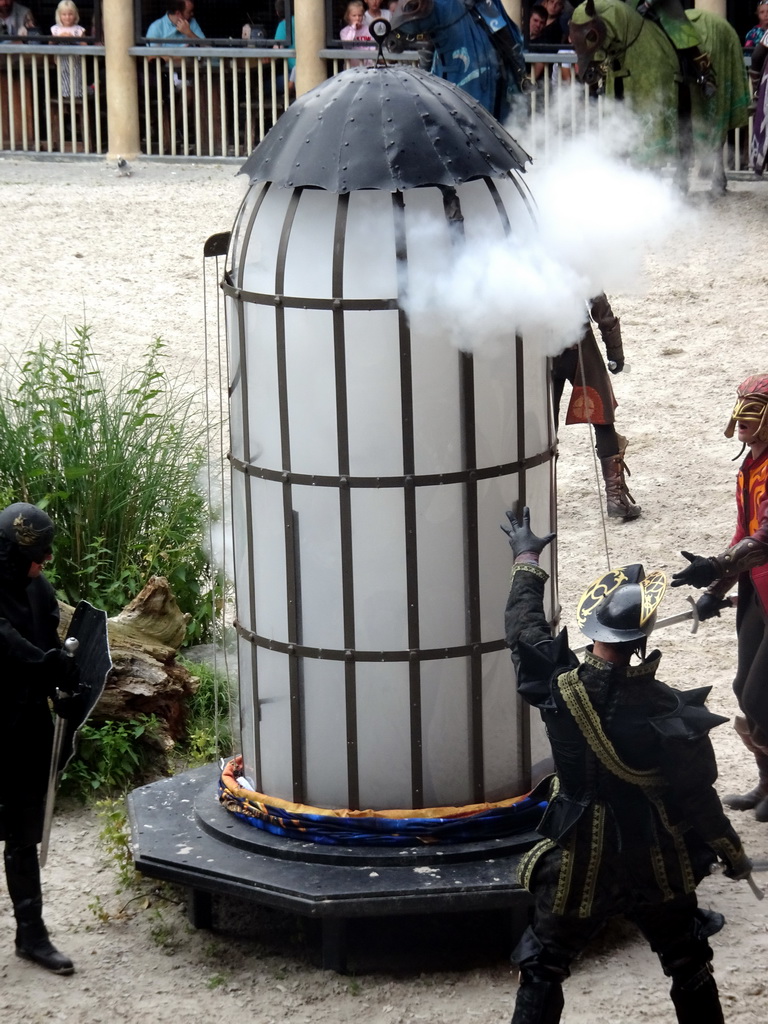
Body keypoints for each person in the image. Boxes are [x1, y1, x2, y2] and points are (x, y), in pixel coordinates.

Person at [501, 506, 752, 1024]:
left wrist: (527, 557)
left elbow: (523, 627)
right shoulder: (665, 709)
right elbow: (697, 799)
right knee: (687, 962)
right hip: (652, 859)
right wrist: (731, 852)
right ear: (642, 641)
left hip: (575, 857)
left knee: (544, 966)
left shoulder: (557, 684)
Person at [671, 374, 768, 821]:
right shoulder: (752, 464)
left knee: (761, 696)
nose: (744, 416)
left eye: (756, 406)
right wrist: (715, 590)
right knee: (745, 691)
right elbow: (742, 534)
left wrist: (714, 565)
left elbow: (764, 539)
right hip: (757, 589)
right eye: (743, 404)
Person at [0, 502, 80, 975]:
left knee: (23, 833)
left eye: (44, 556)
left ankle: (31, 934)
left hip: (25, 724)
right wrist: (43, 663)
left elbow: (51, 650)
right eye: (34, 555)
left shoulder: (38, 591)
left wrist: (63, 686)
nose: (41, 564)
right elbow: (4, 639)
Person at [552, 294, 641, 521]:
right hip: (576, 346)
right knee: (602, 421)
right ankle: (616, 499)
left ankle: (536, 500)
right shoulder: (576, 259)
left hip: (541, 350)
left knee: (543, 424)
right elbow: (602, 311)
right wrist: (616, 354)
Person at [50, 1, 86, 99]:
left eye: (70, 14)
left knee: (76, 80)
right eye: (64, 14)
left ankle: (77, 97)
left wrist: (74, 39)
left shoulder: (78, 30)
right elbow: (50, 44)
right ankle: (65, 98)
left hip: (76, 62)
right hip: (62, 60)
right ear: (59, 15)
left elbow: (85, 46)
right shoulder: (56, 29)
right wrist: (58, 38)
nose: (67, 17)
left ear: (75, 15)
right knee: (64, 79)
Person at [340, 1, 374, 67]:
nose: (357, 18)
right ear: (348, 16)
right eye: (354, 16)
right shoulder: (344, 31)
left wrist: (370, 64)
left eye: (360, 15)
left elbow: (373, 48)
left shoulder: (369, 30)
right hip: (351, 67)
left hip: (367, 66)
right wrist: (353, 29)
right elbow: (347, 45)